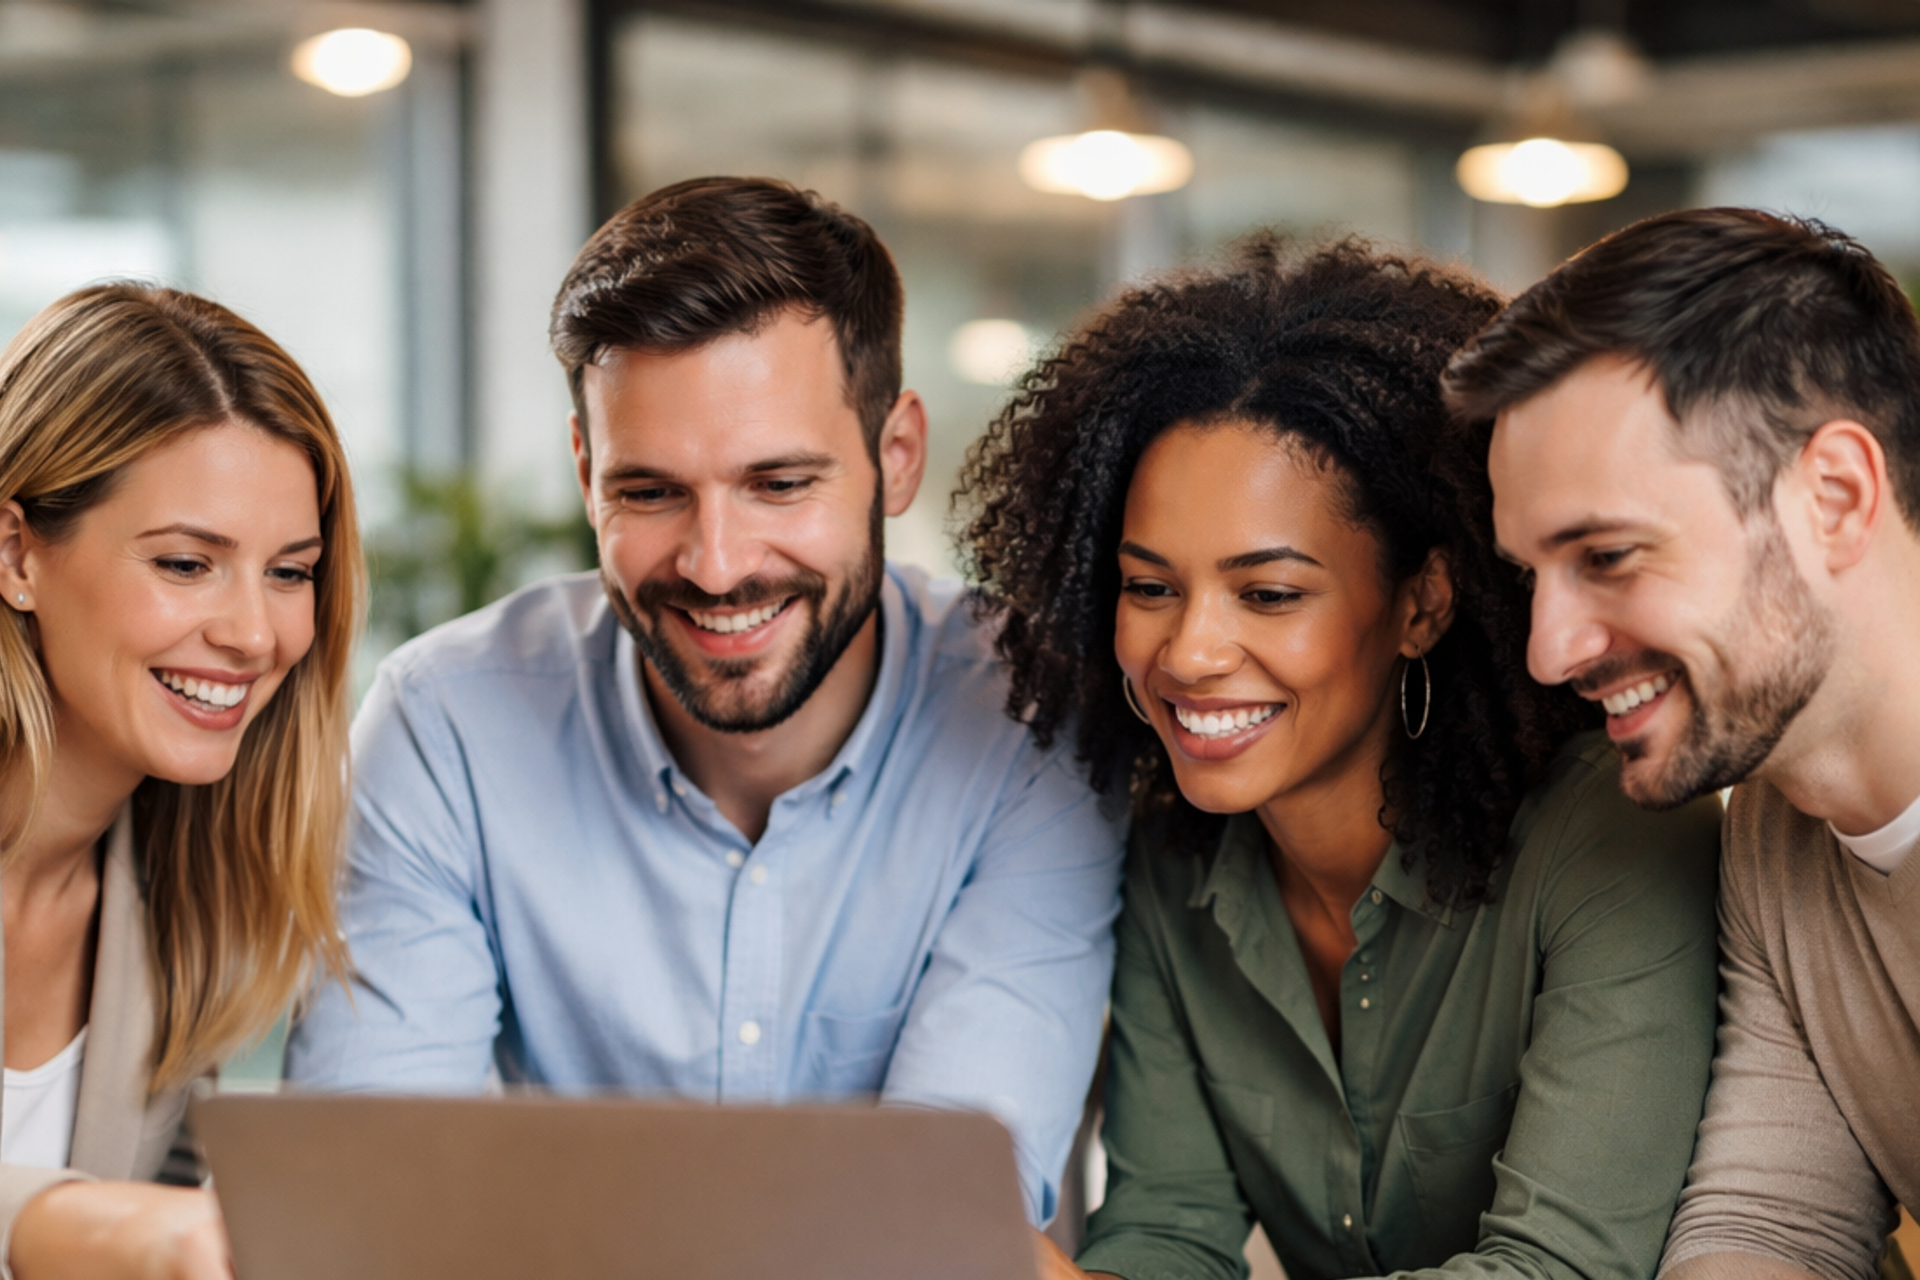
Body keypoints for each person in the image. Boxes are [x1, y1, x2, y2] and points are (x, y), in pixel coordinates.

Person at [284, 176, 1124, 1223]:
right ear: (586, 468)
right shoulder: (446, 722)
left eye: (779, 483)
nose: (717, 565)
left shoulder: (1028, 718)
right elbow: (375, 1186)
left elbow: (938, 1223)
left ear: (895, 456)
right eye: (650, 490)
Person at [956, 236, 1724, 1280]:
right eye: (1150, 587)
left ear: (1423, 601)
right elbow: (1170, 1229)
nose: (1189, 652)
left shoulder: (1610, 837)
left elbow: (1560, 1271)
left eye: (1268, 593)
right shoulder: (1174, 855)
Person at [1445, 207, 1920, 1280]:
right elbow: (1772, 1222)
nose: (1547, 650)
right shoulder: (1777, 826)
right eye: (1534, 575)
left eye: (1607, 555)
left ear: (1834, 496)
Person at [0, 283, 361, 1279]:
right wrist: (95, 1228)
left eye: (290, 571)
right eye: (187, 562)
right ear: (16, 551)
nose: (254, 632)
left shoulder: (188, 907)